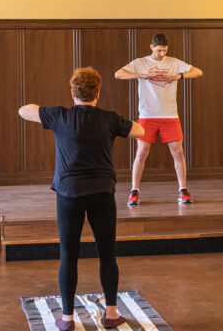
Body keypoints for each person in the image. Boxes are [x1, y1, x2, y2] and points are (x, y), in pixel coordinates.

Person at [18, 67, 144, 331]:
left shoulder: (58, 115)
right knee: (107, 254)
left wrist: (46, 110)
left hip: (68, 194)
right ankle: (111, 313)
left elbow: (24, 110)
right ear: (98, 93)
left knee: (68, 256)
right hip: (102, 194)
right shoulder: (109, 119)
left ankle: (67, 319)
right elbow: (139, 131)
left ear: (72, 93)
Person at [115, 33, 203, 205]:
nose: (162, 54)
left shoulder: (174, 62)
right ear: (151, 47)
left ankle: (183, 190)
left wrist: (179, 76)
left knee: (178, 152)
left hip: (170, 115)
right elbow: (118, 74)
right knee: (141, 152)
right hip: (147, 115)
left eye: (164, 50)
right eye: (159, 50)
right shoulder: (141, 63)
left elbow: (198, 71)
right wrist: (141, 75)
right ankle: (134, 191)